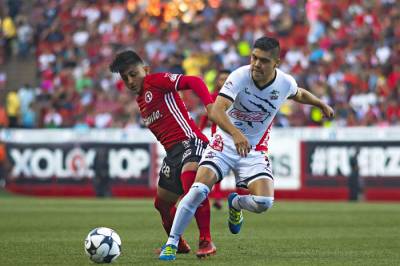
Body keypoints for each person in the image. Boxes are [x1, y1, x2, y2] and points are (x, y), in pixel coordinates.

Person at [159, 36, 334, 260]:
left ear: (276, 63)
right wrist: (236, 134)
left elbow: (298, 93)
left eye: (263, 60)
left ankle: (236, 202)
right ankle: (172, 243)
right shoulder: (240, 76)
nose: (256, 64)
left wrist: (320, 103)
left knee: (264, 203)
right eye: (254, 57)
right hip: (225, 143)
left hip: (252, 150)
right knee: (198, 190)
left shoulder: (284, 82)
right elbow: (217, 110)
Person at [109, 50, 217, 258]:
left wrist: (209, 106)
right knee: (162, 204)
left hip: (191, 142)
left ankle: (206, 241)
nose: (130, 81)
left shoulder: (156, 81)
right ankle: (178, 244)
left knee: (191, 185)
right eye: (125, 78)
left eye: (133, 74)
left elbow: (194, 81)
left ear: (146, 70)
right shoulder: (141, 100)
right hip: (172, 154)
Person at [198, 70, 230, 210]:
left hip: (235, 137)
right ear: (218, 81)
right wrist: (199, 132)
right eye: (221, 79)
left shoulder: (238, 97)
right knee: (216, 168)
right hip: (218, 138)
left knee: (239, 171)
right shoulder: (212, 97)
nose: (223, 82)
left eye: (226, 79)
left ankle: (238, 200)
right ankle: (217, 197)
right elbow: (206, 116)